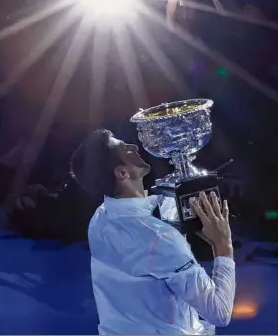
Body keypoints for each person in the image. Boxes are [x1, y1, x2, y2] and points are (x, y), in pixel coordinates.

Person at [70, 129, 235, 335]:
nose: (134, 147)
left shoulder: (100, 219)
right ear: (122, 173)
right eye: (125, 149)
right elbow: (219, 313)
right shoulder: (159, 238)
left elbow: (145, 253)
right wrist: (223, 245)